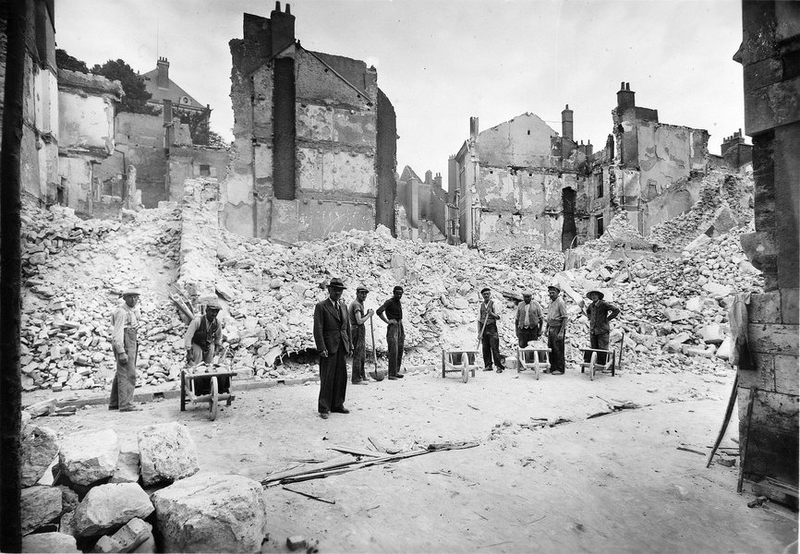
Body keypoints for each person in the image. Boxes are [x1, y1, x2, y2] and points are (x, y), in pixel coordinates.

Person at [313, 278, 352, 419]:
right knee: (327, 377)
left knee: (341, 377)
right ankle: (324, 407)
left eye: (340, 290)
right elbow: (318, 328)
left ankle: (338, 404)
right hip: (328, 347)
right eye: (335, 289)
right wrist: (321, 347)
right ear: (329, 290)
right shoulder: (321, 306)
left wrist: (350, 344)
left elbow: (347, 327)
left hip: (342, 346)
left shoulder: (343, 306)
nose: (338, 292)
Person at [109, 288, 141, 412]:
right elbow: (117, 333)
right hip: (124, 342)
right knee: (128, 374)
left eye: (136, 297)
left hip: (131, 340)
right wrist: (121, 351)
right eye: (130, 297)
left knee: (121, 372)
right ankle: (126, 404)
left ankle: (115, 403)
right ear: (124, 298)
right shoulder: (121, 312)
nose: (133, 300)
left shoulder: (132, 310)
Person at [580, 290, 620, 364]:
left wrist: (608, 319)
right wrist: (590, 318)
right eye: (592, 295)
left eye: (595, 295)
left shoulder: (603, 304)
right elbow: (588, 311)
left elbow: (616, 310)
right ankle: (594, 363)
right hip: (593, 330)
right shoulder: (591, 305)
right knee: (594, 348)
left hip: (602, 330)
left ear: (598, 296)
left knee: (602, 348)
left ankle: (602, 364)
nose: (594, 296)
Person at [376, 286, 405, 380]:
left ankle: (396, 371)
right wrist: (388, 321)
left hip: (400, 325)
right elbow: (379, 311)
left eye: (400, 294)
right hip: (393, 327)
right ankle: (391, 374)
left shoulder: (398, 301)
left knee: (400, 348)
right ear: (393, 293)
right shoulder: (389, 302)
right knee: (393, 350)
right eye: (397, 294)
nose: (399, 295)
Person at [184, 298, 224, 366]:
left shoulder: (217, 323)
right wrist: (189, 353)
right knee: (195, 364)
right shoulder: (197, 321)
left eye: (216, 312)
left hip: (208, 344)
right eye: (212, 311)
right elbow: (188, 337)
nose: (214, 314)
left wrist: (216, 351)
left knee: (209, 365)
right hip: (197, 343)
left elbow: (218, 338)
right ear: (207, 310)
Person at [348, 285, 374, 385]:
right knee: (358, 354)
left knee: (362, 354)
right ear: (357, 293)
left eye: (365, 293)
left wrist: (366, 314)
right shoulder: (356, 305)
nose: (364, 295)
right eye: (362, 293)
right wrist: (369, 315)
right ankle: (356, 378)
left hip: (359, 330)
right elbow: (359, 321)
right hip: (357, 330)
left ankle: (362, 376)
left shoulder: (359, 303)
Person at [478, 287, 505, 373]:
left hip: (492, 328)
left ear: (490, 295)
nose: (486, 295)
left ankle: (499, 366)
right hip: (483, 328)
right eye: (484, 294)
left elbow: (498, 317)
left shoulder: (493, 304)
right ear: (482, 295)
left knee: (494, 347)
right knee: (485, 348)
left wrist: (491, 313)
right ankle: (488, 365)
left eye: (487, 294)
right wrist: (479, 333)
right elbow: (479, 320)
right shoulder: (481, 306)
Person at [544, 285, 568, 375]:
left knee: (558, 349)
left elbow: (565, 318)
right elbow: (549, 317)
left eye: (553, 293)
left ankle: (560, 368)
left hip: (558, 328)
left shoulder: (560, 302)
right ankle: (552, 367)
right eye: (550, 293)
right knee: (551, 348)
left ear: (558, 293)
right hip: (551, 327)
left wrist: (561, 331)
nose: (551, 295)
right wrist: (546, 329)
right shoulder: (551, 302)